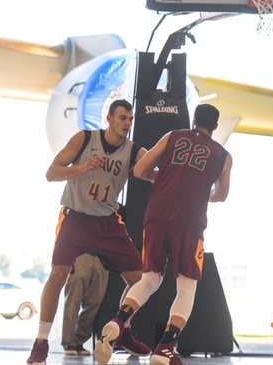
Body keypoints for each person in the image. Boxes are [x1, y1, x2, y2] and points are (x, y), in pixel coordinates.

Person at [96, 103, 233, 365]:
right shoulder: (224, 156)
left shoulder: (172, 137)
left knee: (149, 279)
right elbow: (222, 195)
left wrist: (162, 179)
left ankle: (119, 320)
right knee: (186, 287)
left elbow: (139, 171)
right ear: (216, 126)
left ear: (193, 120)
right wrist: (203, 192)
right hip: (190, 222)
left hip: (157, 216)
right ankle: (166, 347)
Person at [27, 99, 152, 365]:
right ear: (109, 119)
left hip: (107, 222)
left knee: (141, 280)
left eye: (130, 120)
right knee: (58, 275)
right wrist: (82, 167)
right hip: (76, 219)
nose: (127, 124)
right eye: (122, 118)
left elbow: (155, 171)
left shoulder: (133, 151)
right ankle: (41, 343)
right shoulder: (84, 139)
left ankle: (123, 329)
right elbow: (51, 173)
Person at [61, 251, 109, 356]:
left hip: (103, 255)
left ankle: (79, 340)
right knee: (73, 299)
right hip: (81, 252)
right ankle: (69, 342)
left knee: (95, 301)